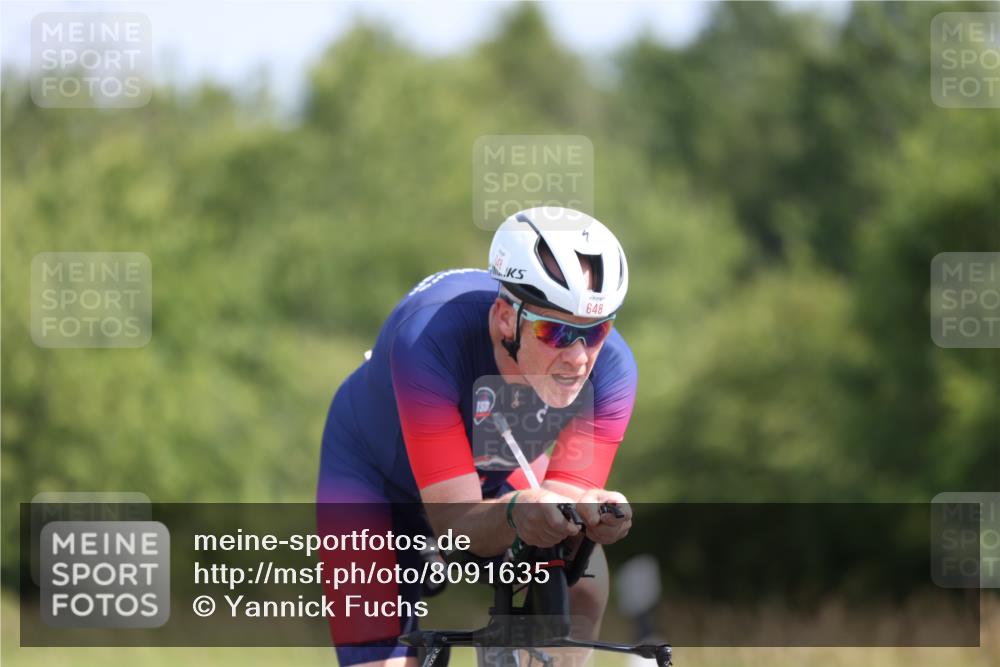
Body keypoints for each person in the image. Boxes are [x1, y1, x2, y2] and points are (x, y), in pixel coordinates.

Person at [317, 206, 638, 667]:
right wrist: (520, 513)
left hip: (491, 476)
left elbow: (561, 504)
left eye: (596, 330)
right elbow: (456, 524)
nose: (579, 357)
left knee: (586, 582)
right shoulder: (428, 336)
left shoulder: (614, 369)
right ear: (506, 319)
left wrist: (589, 519)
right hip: (372, 479)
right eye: (555, 331)